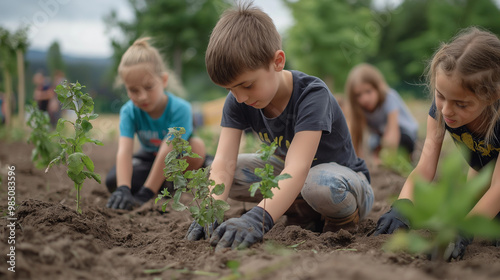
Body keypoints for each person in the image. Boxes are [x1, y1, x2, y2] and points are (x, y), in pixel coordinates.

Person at [186, 2, 373, 251]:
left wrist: (258, 218)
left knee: (317, 183)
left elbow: (297, 167)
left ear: (277, 61)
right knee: (229, 174)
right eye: (231, 89)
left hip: (343, 185)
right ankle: (302, 211)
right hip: (295, 179)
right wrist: (210, 210)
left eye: (247, 85)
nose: (239, 97)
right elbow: (223, 163)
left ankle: (341, 220)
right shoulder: (239, 99)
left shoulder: (312, 94)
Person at [373, 27, 500, 260]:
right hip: (482, 171)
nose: (446, 110)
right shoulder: (443, 110)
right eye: (440, 96)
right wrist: (403, 206)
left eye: (461, 104)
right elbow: (425, 167)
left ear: (492, 96)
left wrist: (463, 230)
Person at [105, 38, 207, 210]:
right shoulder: (129, 111)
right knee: (113, 181)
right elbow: (124, 152)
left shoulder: (181, 108)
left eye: (149, 87)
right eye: (133, 90)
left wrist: (146, 193)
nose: (142, 96)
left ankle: (167, 184)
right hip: (149, 157)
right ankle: (165, 185)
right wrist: (123, 188)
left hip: (178, 159)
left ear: (164, 80)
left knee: (197, 147)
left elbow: (168, 151)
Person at [346, 63, 418, 164]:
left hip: (404, 132)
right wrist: (356, 160)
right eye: (358, 95)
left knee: (402, 141)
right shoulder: (359, 108)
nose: (364, 99)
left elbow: (393, 130)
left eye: (368, 91)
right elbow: (356, 135)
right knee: (373, 142)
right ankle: (381, 158)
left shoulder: (389, 97)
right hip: (381, 135)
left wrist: (389, 154)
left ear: (378, 88)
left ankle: (404, 157)